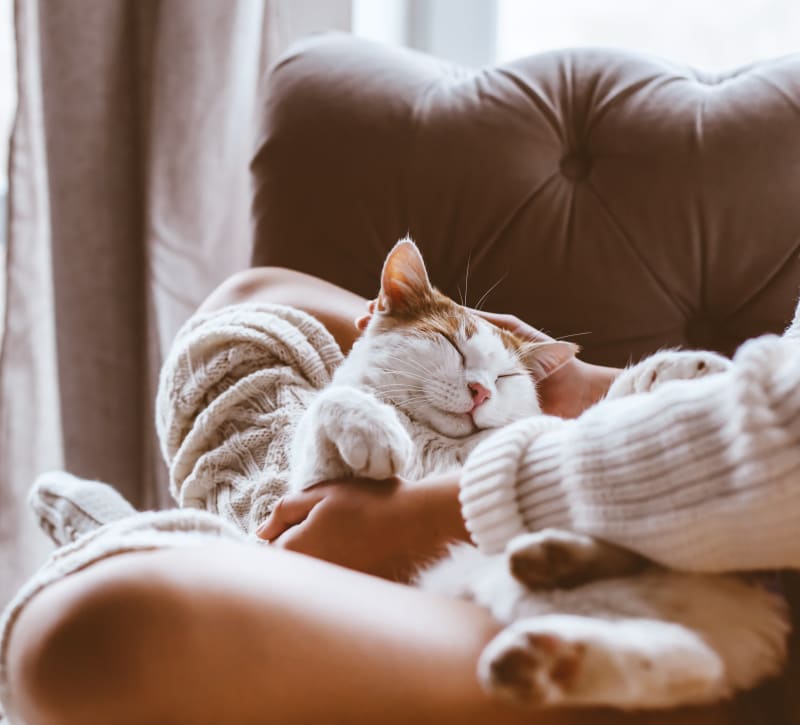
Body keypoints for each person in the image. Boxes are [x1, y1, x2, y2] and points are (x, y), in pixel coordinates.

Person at [3, 266, 798, 725]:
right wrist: (575, 389)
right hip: (655, 471)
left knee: (86, 636)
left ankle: (162, 537)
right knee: (246, 299)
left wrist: (440, 509)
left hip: (714, 569)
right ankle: (200, 536)